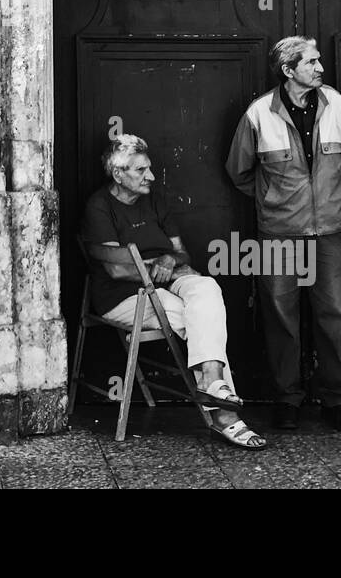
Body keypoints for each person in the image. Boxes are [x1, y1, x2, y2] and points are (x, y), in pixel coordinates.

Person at [81, 134, 266, 450]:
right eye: (141, 171)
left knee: (206, 286)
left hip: (166, 281)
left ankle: (211, 382)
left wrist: (170, 260)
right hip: (124, 297)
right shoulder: (99, 207)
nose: (150, 176)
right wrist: (160, 263)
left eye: (149, 168)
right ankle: (225, 418)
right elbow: (118, 270)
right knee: (196, 317)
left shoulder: (155, 199)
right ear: (118, 174)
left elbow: (182, 255)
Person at [225, 36, 341, 433]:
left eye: (319, 61)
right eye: (312, 62)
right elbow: (240, 171)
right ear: (289, 71)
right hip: (278, 236)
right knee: (280, 317)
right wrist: (277, 201)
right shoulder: (259, 114)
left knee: (335, 316)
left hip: (331, 232)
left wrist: (336, 192)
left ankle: (337, 402)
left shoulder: (336, 105)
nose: (321, 68)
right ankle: (287, 400)